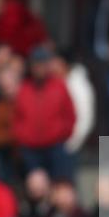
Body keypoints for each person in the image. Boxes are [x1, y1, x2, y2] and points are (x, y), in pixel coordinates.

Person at [12, 47, 76, 180]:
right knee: (35, 184)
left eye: (42, 64)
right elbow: (16, 117)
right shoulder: (24, 88)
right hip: (30, 149)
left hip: (55, 147)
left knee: (59, 182)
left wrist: (61, 134)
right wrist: (22, 137)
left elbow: (70, 115)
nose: (39, 68)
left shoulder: (59, 86)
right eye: (36, 65)